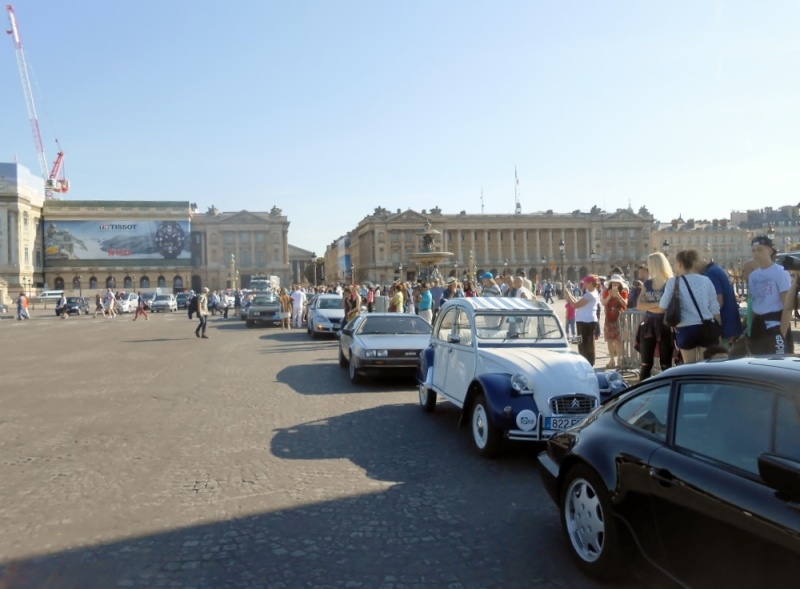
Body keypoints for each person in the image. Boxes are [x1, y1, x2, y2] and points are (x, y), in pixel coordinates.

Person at [659, 249, 720, 364]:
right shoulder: (706, 280)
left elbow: (663, 306)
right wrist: (718, 327)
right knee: (706, 363)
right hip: (705, 326)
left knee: (689, 365)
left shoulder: (673, 282)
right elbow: (714, 306)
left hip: (685, 327)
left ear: (680, 264)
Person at [748, 235, 796, 355]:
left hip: (775, 322)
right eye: (753, 250)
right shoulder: (753, 276)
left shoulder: (780, 272)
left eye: (760, 249)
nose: (756, 253)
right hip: (758, 324)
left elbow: (787, 306)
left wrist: (782, 334)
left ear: (769, 250)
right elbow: (755, 302)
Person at [636, 252, 675, 380]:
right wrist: (659, 303)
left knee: (666, 363)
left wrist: (650, 304)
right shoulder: (648, 283)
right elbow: (639, 305)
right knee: (646, 363)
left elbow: (667, 306)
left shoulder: (670, 282)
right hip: (649, 323)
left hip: (664, 324)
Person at [696, 256, 743, 348]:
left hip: (723, 323)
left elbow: (718, 300)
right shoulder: (716, 269)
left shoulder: (710, 273)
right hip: (729, 322)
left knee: (720, 355)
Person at [565, 275, 601, 366]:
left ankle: (587, 362)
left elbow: (576, 305)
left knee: (585, 344)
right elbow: (577, 302)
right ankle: (587, 361)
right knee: (586, 343)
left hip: (585, 321)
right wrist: (571, 296)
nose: (584, 284)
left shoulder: (589, 295)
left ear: (590, 283)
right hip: (586, 319)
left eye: (586, 282)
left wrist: (569, 295)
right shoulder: (593, 292)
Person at [602, 274, 628, 369]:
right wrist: (609, 296)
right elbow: (603, 303)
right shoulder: (607, 292)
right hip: (609, 319)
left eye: (617, 283)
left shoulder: (623, 292)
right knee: (609, 340)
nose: (615, 284)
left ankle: (619, 360)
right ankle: (612, 360)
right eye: (613, 283)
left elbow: (625, 303)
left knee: (619, 340)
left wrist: (618, 295)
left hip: (620, 318)